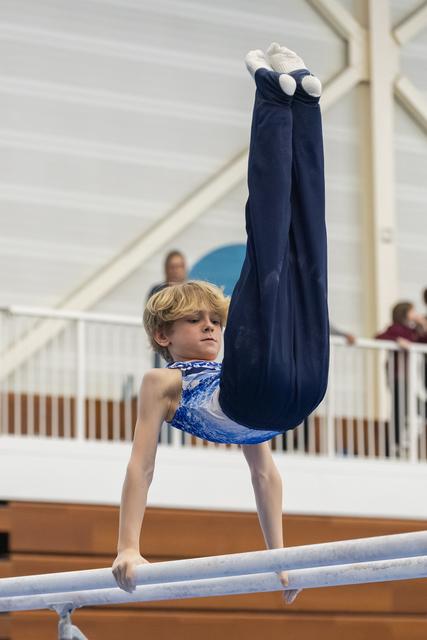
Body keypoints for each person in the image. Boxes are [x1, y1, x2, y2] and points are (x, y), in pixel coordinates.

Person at [112, 43, 330, 606]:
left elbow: (265, 475)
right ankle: (294, 109)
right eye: (194, 321)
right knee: (296, 259)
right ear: (163, 337)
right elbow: (143, 463)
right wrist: (128, 546)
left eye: (215, 320)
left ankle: (290, 102)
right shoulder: (162, 383)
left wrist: (276, 556)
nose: (211, 328)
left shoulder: (234, 363)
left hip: (271, 393)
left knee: (288, 251)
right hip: (299, 394)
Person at [375, 302, 427, 455]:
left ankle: (396, 444)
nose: (415, 313)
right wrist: (397, 340)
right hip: (397, 375)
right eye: (412, 311)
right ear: (405, 312)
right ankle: (393, 445)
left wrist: (423, 324)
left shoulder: (413, 330)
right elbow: (379, 337)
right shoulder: (396, 328)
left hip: (408, 377)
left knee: (407, 407)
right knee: (399, 409)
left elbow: (423, 340)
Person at [146, 250, 188, 367]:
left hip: (184, 344)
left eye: (180, 266)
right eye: (173, 267)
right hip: (163, 345)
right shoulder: (157, 291)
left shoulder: (190, 293)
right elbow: (151, 316)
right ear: (166, 269)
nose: (177, 271)